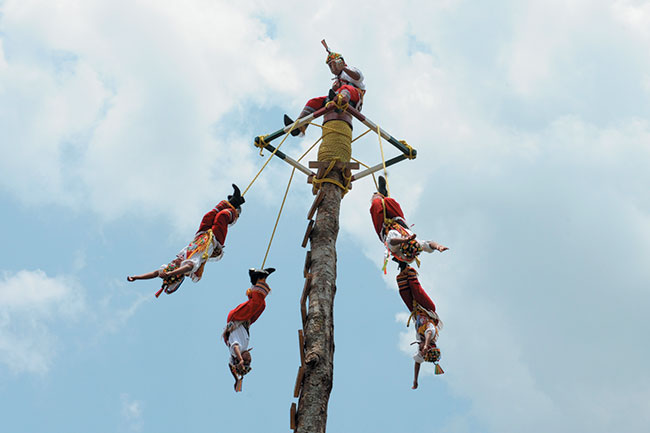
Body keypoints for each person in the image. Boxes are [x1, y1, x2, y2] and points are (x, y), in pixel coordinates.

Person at [126, 184, 245, 297]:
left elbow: (155, 273)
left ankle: (234, 201)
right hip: (214, 241)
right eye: (173, 267)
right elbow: (187, 268)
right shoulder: (190, 265)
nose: (174, 261)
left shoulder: (180, 259)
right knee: (222, 216)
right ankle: (235, 209)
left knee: (208, 216)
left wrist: (137, 277)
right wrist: (170, 274)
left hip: (201, 236)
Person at [284, 49, 365, 137]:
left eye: (333, 64)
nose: (332, 68)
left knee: (345, 88)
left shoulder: (350, 70)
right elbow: (331, 95)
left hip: (354, 96)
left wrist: (343, 68)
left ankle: (341, 103)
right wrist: (334, 89)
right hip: (338, 98)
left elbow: (358, 77)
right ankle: (299, 126)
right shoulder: (337, 80)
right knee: (313, 101)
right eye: (330, 66)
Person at [370, 176, 448, 265]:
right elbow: (429, 244)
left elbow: (392, 240)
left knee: (376, 203)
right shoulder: (417, 244)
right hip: (398, 221)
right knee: (389, 201)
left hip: (383, 227)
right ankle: (384, 194)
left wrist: (404, 240)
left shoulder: (396, 248)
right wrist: (438, 247)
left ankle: (379, 194)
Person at [223, 267, 275, 392]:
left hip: (236, 318)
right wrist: (237, 379)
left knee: (256, 303)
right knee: (260, 306)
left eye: (247, 359)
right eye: (249, 360)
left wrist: (240, 359)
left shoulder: (236, 350)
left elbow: (235, 348)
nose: (249, 357)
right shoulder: (244, 347)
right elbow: (232, 368)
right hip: (245, 320)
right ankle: (258, 279)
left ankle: (257, 277)